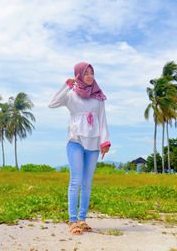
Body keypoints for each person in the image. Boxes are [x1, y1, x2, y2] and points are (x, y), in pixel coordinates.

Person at [48, 62, 111, 235]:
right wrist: (66, 85)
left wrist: (105, 142)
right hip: (75, 141)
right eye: (86, 73)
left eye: (92, 73)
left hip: (93, 144)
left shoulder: (98, 97)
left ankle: (82, 219)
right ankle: (72, 220)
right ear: (79, 75)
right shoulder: (71, 95)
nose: (90, 76)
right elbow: (52, 103)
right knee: (75, 181)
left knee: (87, 183)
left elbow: (103, 120)